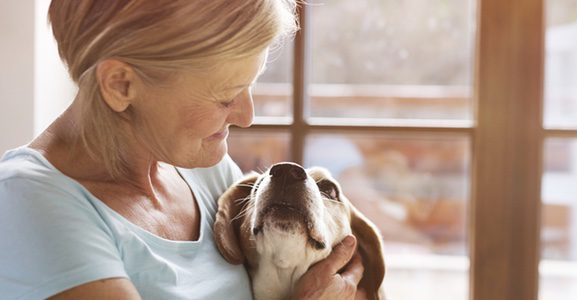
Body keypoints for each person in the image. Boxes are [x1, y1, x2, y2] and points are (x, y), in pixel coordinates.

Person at [0, 1, 365, 299]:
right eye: (225, 97)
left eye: (250, 86)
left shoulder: (206, 169)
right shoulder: (28, 204)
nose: (246, 115)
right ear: (121, 85)